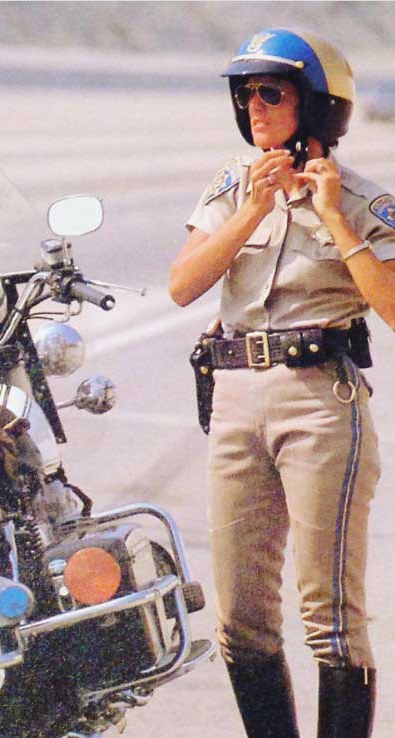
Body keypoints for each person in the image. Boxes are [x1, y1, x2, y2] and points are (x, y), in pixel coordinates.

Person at [169, 28, 395, 738]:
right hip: (236, 399)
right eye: (245, 94)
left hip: (318, 405)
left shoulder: (362, 200)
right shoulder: (233, 187)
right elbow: (183, 286)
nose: (255, 106)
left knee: (328, 617)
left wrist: (330, 216)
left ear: (318, 106)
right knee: (240, 619)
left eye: (272, 91)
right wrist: (252, 211)